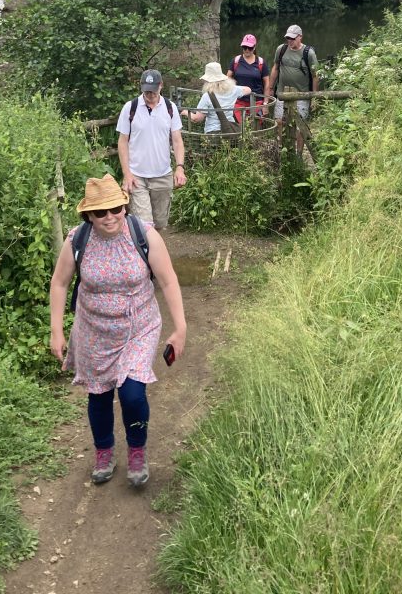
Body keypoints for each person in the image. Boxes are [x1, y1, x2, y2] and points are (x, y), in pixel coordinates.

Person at [49, 174, 187, 488]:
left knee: (132, 393)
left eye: (116, 209)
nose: (110, 217)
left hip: (138, 325)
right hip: (93, 329)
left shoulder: (144, 235)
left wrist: (180, 328)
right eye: (101, 212)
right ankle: (104, 451)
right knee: (98, 395)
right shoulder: (77, 240)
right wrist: (56, 330)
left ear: (124, 206)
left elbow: (167, 281)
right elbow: (59, 284)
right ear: (88, 215)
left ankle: (137, 450)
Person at [117, 69, 186, 230]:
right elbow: (122, 142)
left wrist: (180, 168)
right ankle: (143, 255)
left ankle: (153, 253)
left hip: (163, 175)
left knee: (160, 224)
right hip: (137, 176)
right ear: (141, 87)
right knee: (144, 226)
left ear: (161, 86)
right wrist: (127, 174)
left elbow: (177, 141)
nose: (150, 94)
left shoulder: (170, 108)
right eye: (147, 91)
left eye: (153, 90)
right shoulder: (130, 108)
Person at [268, 24, 319, 151]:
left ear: (300, 37)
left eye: (292, 38)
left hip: (302, 95)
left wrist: (314, 97)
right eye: (288, 38)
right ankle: (281, 149)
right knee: (279, 121)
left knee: (300, 126)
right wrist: (270, 88)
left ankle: (299, 154)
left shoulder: (309, 53)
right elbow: (275, 68)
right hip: (282, 93)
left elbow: (315, 76)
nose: (290, 41)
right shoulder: (281, 49)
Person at [183, 62, 251, 133]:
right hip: (230, 131)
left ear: (207, 80)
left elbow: (197, 119)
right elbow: (248, 90)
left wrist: (184, 112)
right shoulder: (233, 90)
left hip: (213, 132)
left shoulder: (207, 96)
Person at [226, 33, 271, 124]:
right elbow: (227, 79)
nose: (247, 50)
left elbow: (267, 84)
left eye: (250, 48)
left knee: (255, 128)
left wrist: (265, 103)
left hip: (257, 102)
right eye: (244, 47)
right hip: (239, 101)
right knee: (242, 128)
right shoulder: (236, 61)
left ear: (254, 47)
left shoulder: (261, 63)